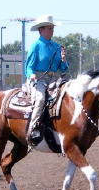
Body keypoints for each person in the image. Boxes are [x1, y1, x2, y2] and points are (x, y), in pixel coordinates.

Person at [25, 14, 69, 145]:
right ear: (41, 30)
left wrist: (64, 59)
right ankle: (33, 129)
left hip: (55, 79)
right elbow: (29, 67)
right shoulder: (36, 46)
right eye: (49, 28)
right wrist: (31, 75)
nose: (52, 30)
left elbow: (63, 69)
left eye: (52, 28)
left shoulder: (57, 47)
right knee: (40, 99)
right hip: (39, 79)